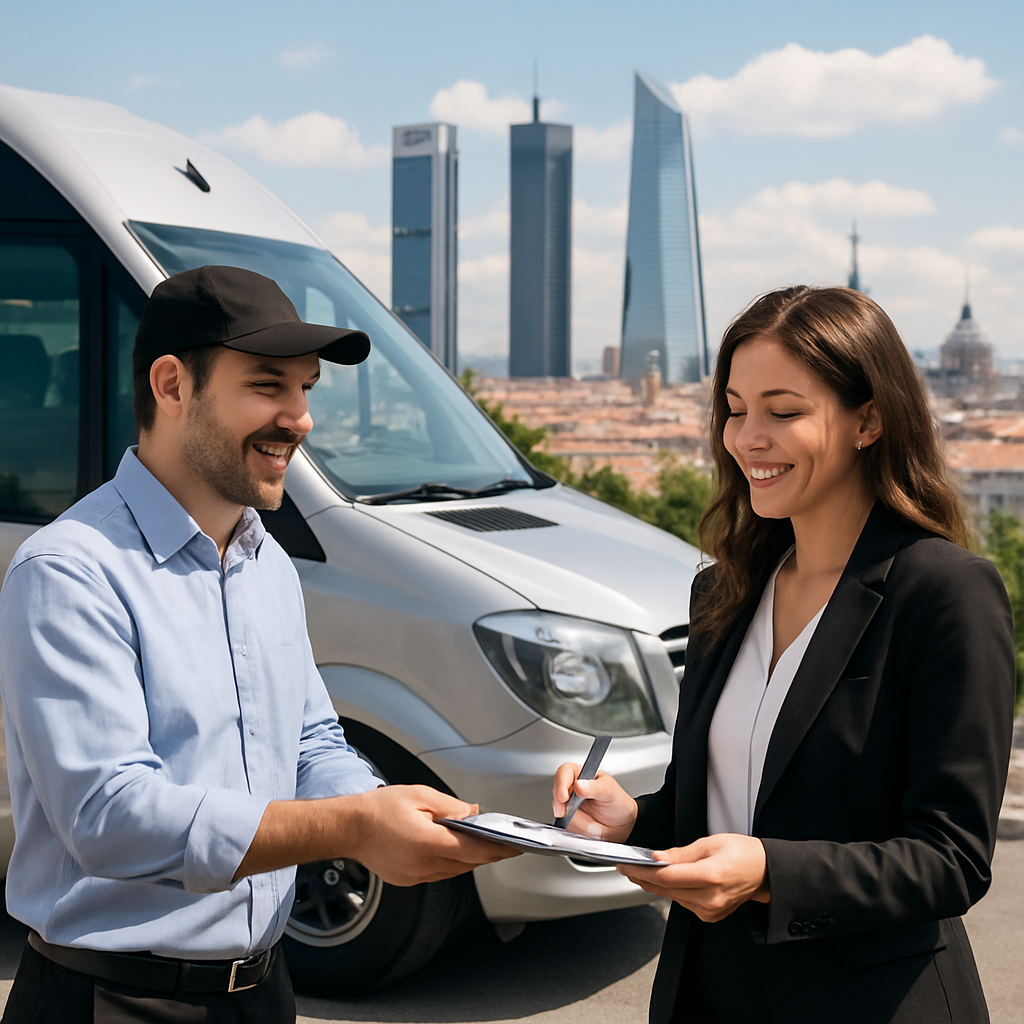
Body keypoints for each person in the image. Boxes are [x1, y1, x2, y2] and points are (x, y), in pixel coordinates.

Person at [0, 265, 514, 1023]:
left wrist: (385, 811)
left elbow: (309, 743)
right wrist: (354, 828)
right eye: (270, 385)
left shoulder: (263, 558)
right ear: (172, 387)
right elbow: (110, 818)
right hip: (111, 1000)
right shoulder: (70, 569)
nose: (300, 418)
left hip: (263, 993)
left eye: (306, 389)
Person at [553, 286, 1016, 1024]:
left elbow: (950, 859)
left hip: (872, 1003)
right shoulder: (724, 590)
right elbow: (717, 810)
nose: (746, 438)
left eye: (783, 410)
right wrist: (630, 822)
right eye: (735, 409)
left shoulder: (944, 593)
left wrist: (770, 871)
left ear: (869, 419)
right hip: (712, 993)